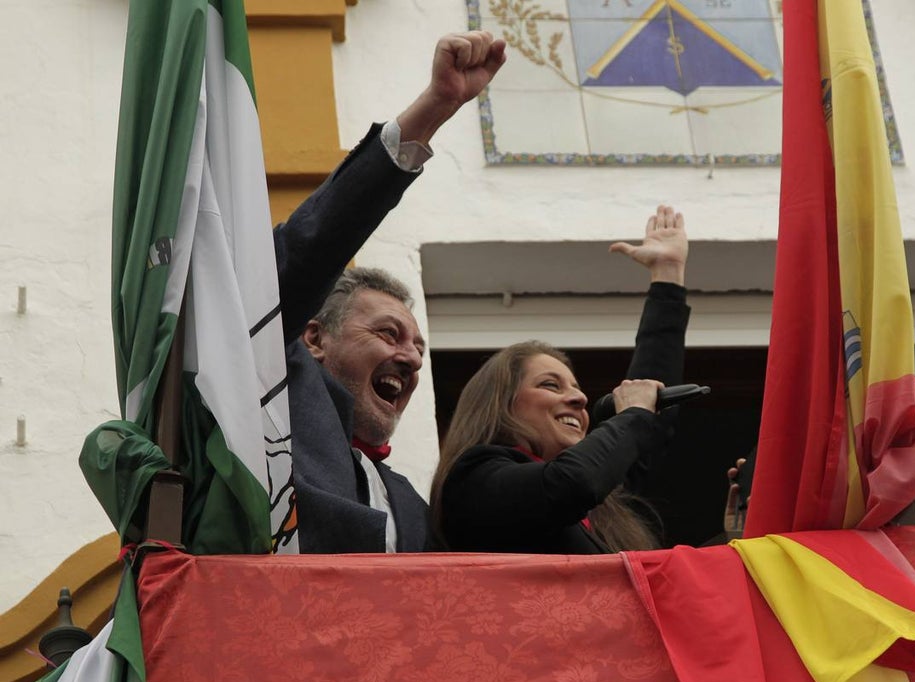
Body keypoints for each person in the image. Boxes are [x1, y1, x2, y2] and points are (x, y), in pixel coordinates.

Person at [276, 31, 506, 554]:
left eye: (419, 347)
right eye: (388, 333)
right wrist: (432, 110)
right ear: (314, 338)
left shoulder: (411, 507)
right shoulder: (271, 397)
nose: (412, 359)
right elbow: (308, 250)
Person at [430, 206, 690, 554]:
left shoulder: (600, 508)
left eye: (576, 388)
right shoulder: (475, 479)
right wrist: (632, 415)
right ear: (499, 406)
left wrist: (668, 274)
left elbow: (651, 406)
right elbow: (573, 482)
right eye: (550, 385)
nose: (580, 400)